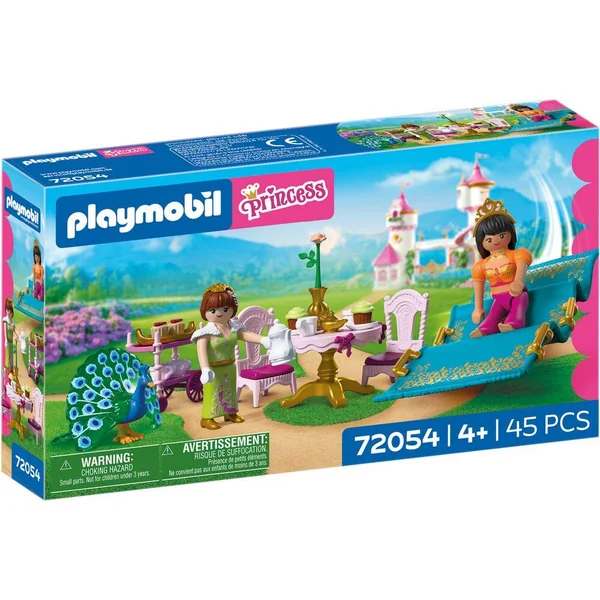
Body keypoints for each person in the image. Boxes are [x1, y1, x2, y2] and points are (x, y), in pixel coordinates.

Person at [193, 284, 271, 430]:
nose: (219, 313)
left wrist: (262, 339)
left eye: (225, 309)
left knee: (230, 391)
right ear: (205, 311)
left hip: (229, 366)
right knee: (212, 392)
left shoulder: (233, 327)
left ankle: (230, 413)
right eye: (213, 310)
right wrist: (205, 369)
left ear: (232, 309)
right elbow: (201, 351)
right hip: (213, 369)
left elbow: (246, 335)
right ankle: (207, 418)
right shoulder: (205, 333)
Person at [470, 199, 532, 338]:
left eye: (501, 235)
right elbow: (478, 285)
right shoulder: (481, 265)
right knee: (493, 315)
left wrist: (518, 281)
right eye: (489, 239)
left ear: (511, 234)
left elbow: (522, 264)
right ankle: (486, 329)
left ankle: (513, 323)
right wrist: (478, 309)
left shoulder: (517, 254)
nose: (496, 240)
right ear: (481, 242)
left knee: (518, 309)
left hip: (517, 294)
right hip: (498, 299)